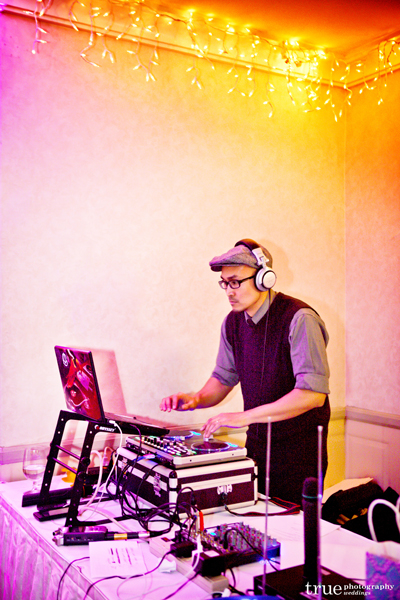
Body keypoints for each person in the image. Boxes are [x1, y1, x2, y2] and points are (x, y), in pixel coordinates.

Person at [160, 239, 331, 505]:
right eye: (224, 283)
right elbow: (223, 379)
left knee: (291, 527)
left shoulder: (300, 319)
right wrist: (196, 399)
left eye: (235, 282)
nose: (229, 291)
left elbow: (312, 395)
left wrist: (243, 417)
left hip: (299, 456)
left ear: (264, 278)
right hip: (257, 451)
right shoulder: (232, 323)